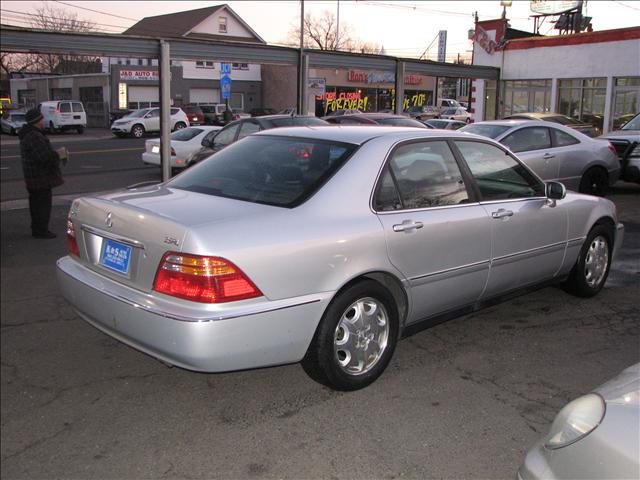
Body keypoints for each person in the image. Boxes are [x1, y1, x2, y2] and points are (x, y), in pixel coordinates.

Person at [18, 108, 66, 239]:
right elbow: (44, 157)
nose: (43, 120)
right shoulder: (34, 136)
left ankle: (37, 228)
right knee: (42, 205)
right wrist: (58, 154)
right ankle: (41, 230)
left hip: (34, 177)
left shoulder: (29, 134)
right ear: (36, 121)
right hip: (40, 177)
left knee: (36, 204)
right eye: (41, 118)